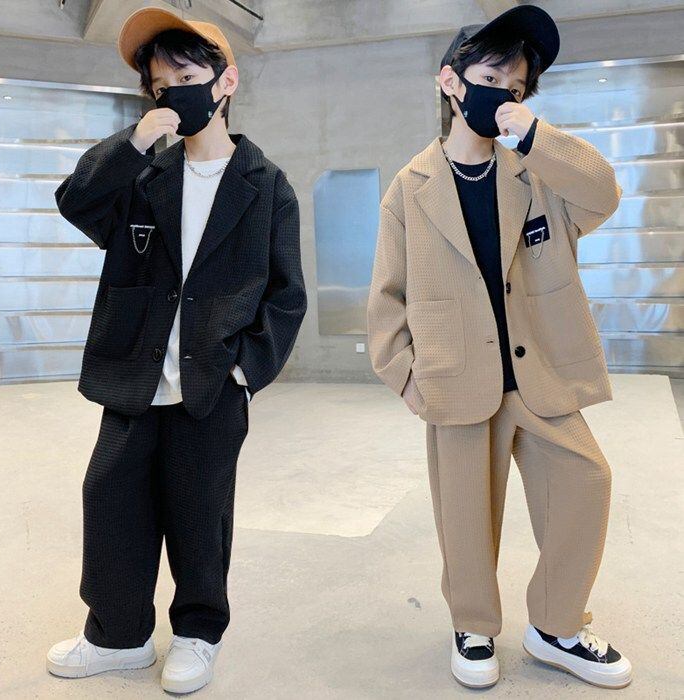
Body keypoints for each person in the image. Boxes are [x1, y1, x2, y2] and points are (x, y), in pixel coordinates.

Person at [367, 4, 631, 691]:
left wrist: (534, 133)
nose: (502, 96)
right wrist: (408, 379)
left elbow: (604, 193)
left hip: (540, 375)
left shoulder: (538, 174)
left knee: (586, 484)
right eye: (489, 80)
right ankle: (474, 625)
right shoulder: (410, 188)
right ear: (450, 82)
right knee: (466, 518)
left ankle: (556, 626)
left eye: (515, 88)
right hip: (455, 379)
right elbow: (387, 297)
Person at [46, 6, 306, 694]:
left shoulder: (265, 184)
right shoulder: (143, 175)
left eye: (188, 80)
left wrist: (246, 371)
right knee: (111, 503)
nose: (173, 95)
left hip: (212, 387)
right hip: (134, 379)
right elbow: (76, 201)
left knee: (200, 515)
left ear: (226, 83)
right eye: (161, 87)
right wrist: (134, 141)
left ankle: (197, 634)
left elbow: (286, 294)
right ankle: (118, 636)